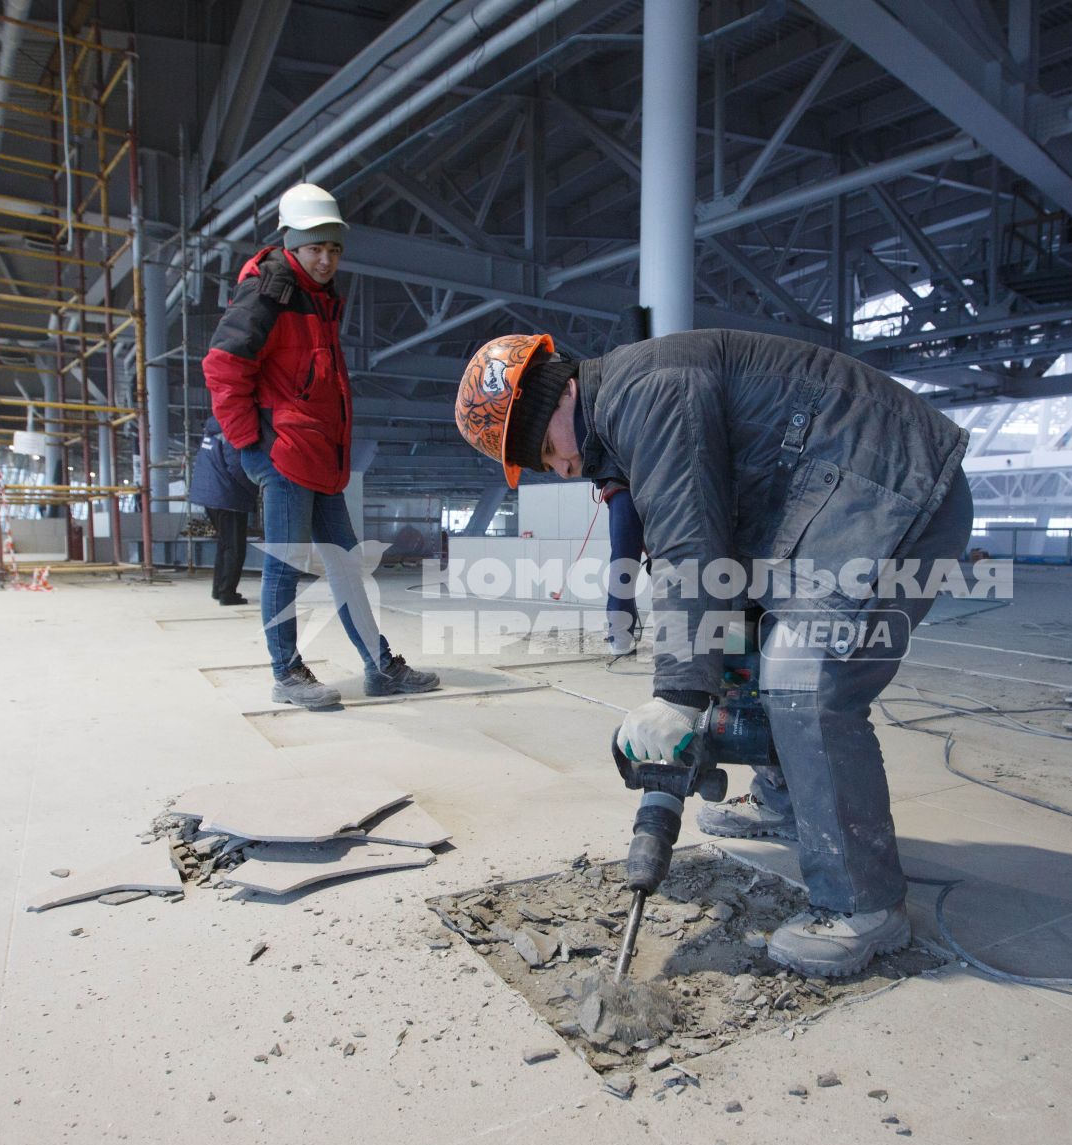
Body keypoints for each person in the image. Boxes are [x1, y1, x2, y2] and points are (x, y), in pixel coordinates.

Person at [455, 330, 974, 978]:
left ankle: (864, 906)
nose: (558, 467)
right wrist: (701, 678)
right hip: (840, 499)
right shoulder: (628, 409)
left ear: (553, 399)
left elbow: (687, 542)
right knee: (740, 646)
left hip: (894, 491)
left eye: (543, 451)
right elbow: (705, 554)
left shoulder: (648, 392)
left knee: (803, 678)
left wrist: (676, 695)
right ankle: (786, 803)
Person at [202, 181, 440, 709]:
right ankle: (287, 673)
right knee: (285, 565)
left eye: (334, 248)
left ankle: (380, 668)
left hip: (321, 455)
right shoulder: (270, 290)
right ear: (292, 242)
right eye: (316, 247)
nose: (327, 258)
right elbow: (223, 366)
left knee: (347, 566)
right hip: (285, 452)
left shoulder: (318, 295)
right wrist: (251, 442)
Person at [191, 414, 256, 606]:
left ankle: (218, 589)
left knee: (225, 544)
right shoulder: (231, 429)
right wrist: (256, 487)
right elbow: (236, 466)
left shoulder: (212, 430)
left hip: (210, 496)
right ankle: (227, 593)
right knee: (235, 547)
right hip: (228, 496)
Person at [598, 480, 643, 656]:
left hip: (629, 488)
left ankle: (620, 638)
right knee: (624, 565)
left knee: (624, 563)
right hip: (626, 487)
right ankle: (619, 638)